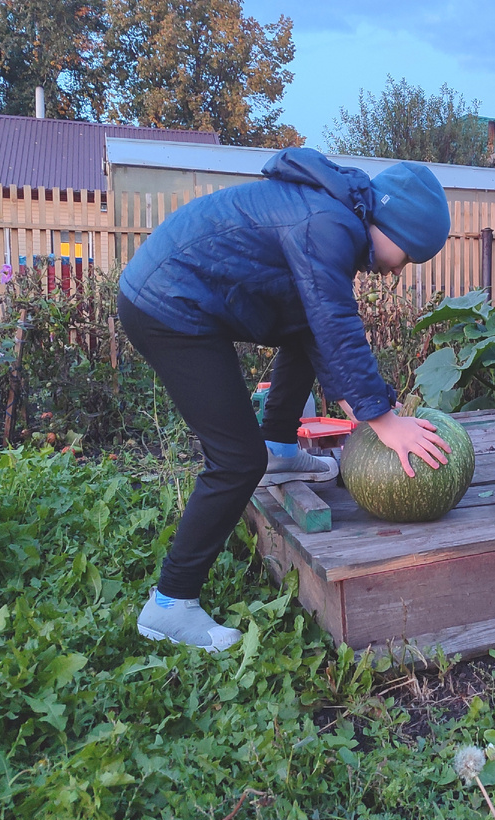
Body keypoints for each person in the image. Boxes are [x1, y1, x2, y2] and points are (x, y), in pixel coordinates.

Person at [117, 148, 454, 652]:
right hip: (167, 306)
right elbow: (337, 324)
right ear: (393, 228)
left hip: (178, 292)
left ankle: (278, 449)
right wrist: (382, 420)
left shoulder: (335, 214)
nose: (399, 270)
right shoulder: (327, 225)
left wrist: (361, 400)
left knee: (301, 325)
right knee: (236, 460)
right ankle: (170, 603)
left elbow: (315, 323)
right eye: (407, 256)